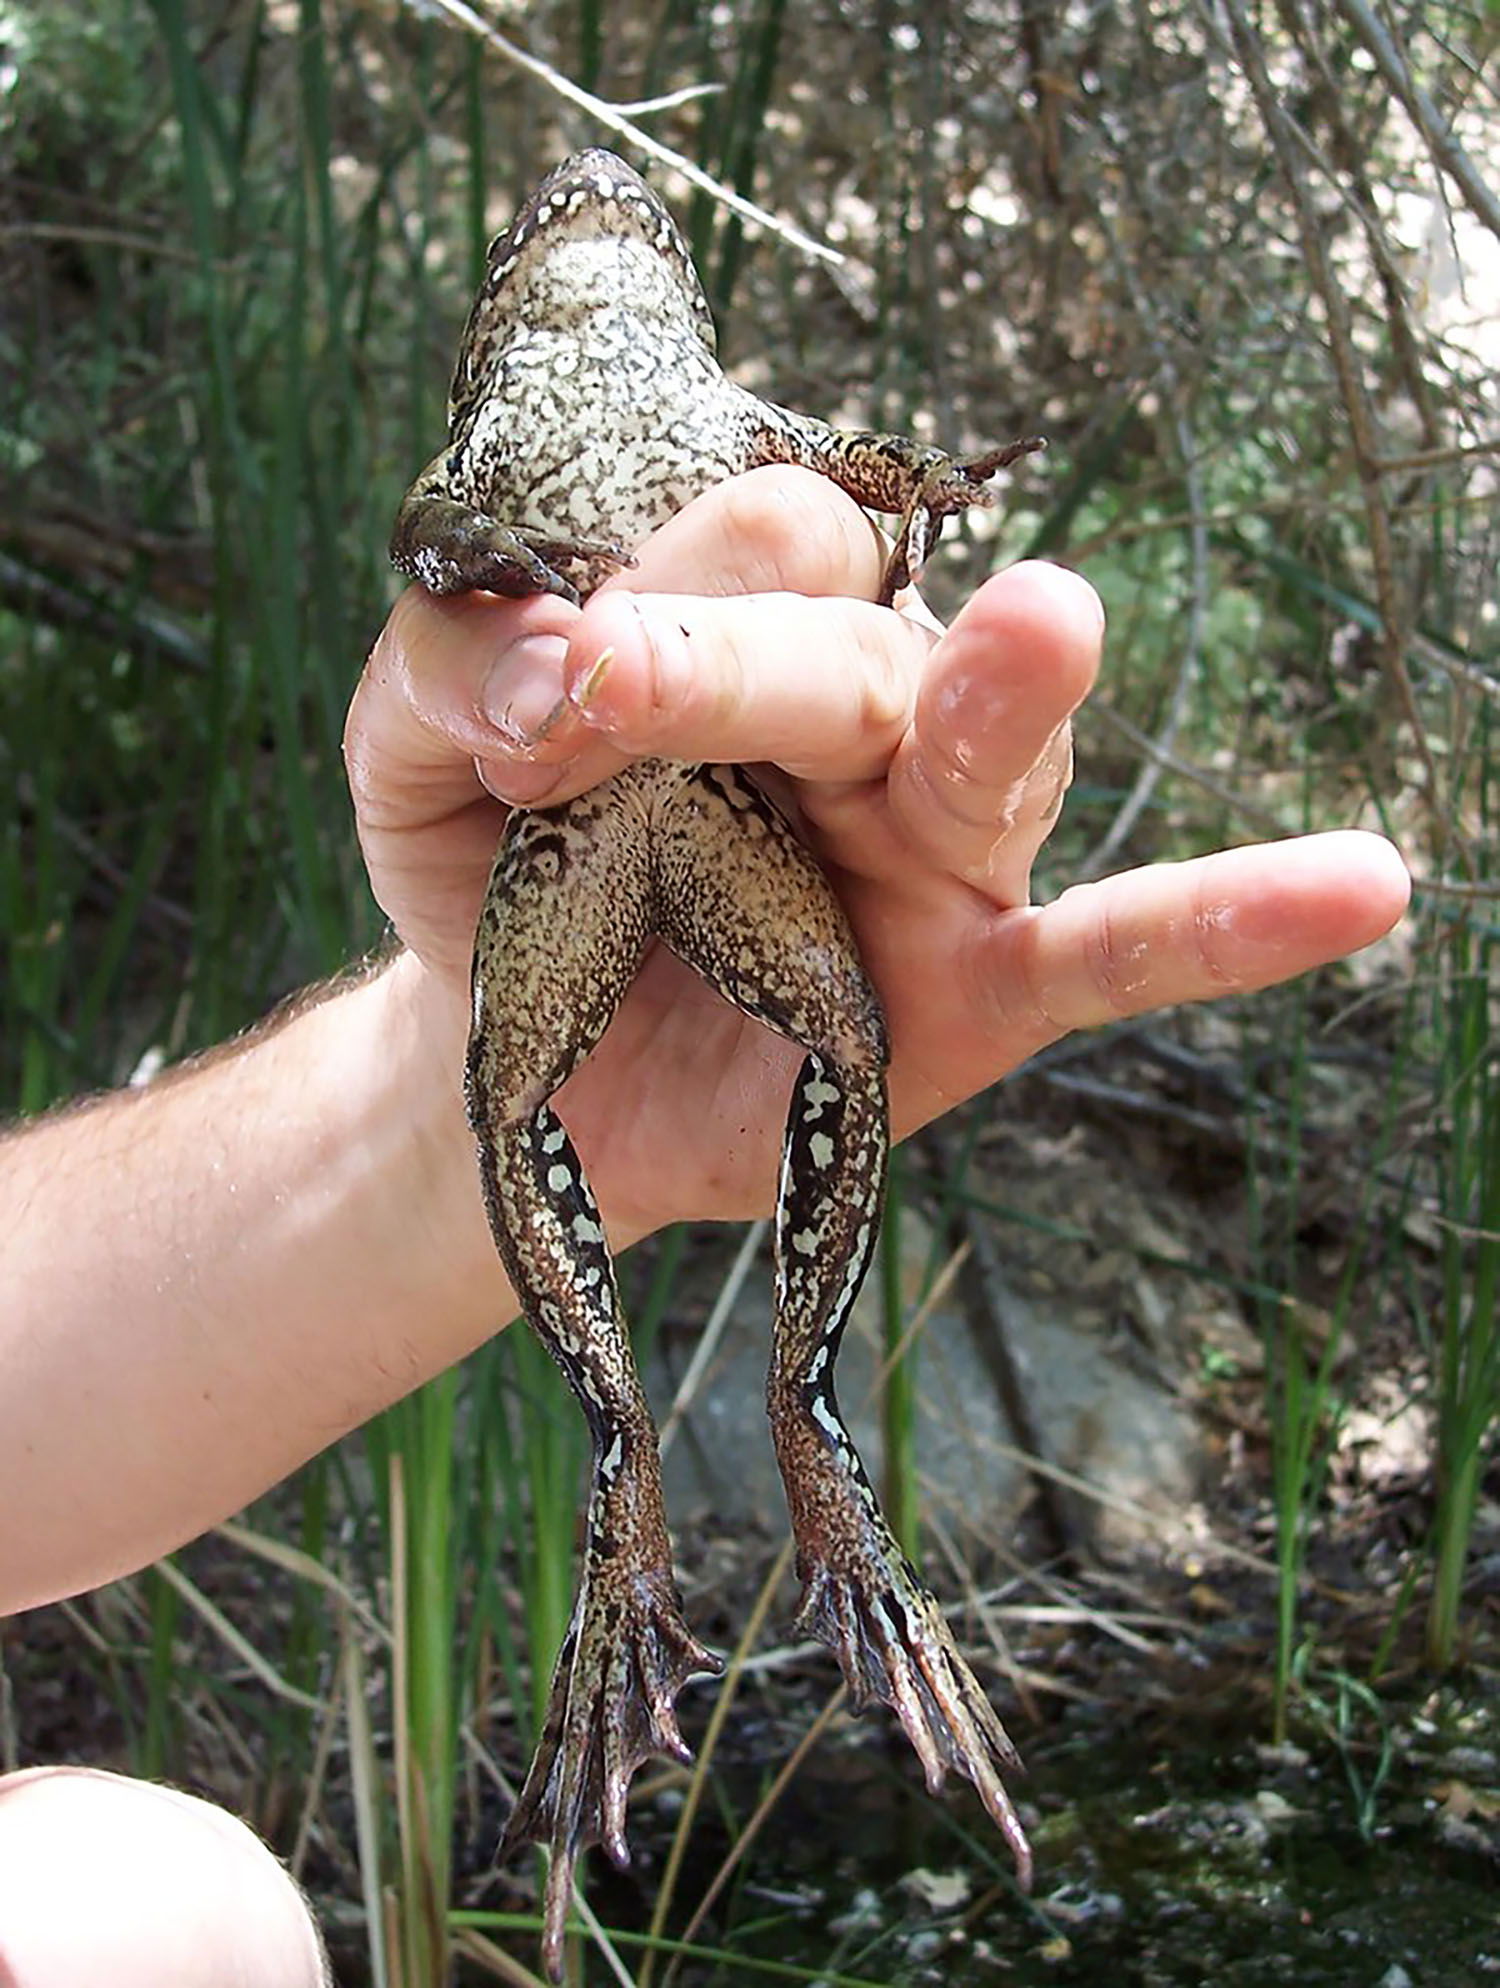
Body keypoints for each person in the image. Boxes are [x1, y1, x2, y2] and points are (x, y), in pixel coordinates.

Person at [0, 468, 1410, 1985]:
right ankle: (703, 1504)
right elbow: (455, 527)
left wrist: (438, 1084)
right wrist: (903, 497)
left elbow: (474, 527)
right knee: (175, 1905)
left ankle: (804, 1462)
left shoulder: (589, 461)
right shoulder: (557, 455)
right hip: (616, 836)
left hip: (641, 850)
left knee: (176, 1908)